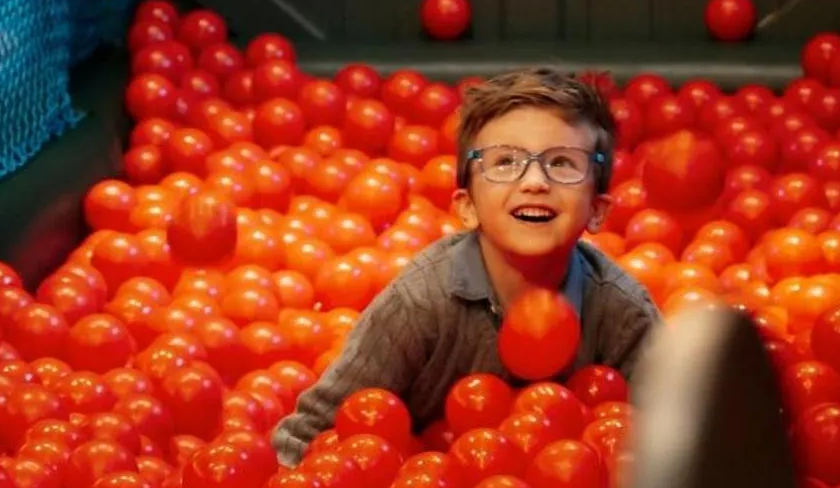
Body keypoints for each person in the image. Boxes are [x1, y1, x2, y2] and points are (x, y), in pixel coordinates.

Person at [271, 68, 661, 466]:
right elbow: (310, 435)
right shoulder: (420, 302)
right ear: (466, 206)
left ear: (598, 210)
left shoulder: (623, 314)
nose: (534, 182)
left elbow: (672, 453)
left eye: (562, 163)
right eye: (506, 162)